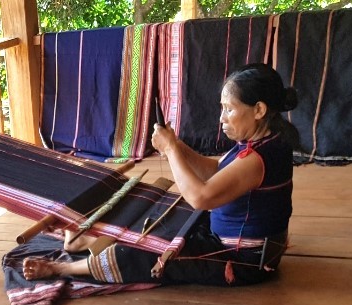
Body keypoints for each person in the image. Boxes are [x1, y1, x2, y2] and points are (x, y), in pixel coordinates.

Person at [23, 63, 300, 287]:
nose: (222, 118)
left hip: (241, 259)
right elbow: (218, 172)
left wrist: (170, 150)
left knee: (141, 252)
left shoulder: (257, 158)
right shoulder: (264, 141)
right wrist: (177, 146)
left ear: (259, 110)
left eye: (229, 109)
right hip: (233, 238)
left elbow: (200, 197)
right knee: (157, 219)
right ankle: (90, 239)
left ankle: (61, 268)